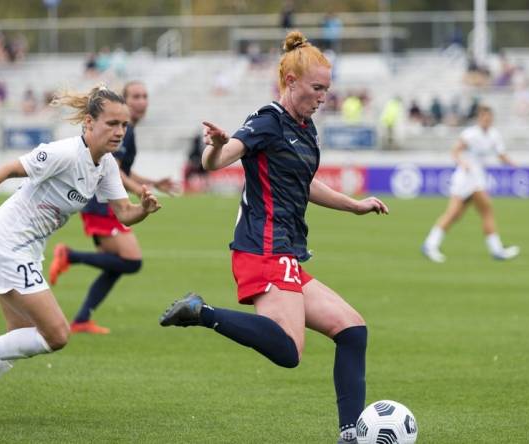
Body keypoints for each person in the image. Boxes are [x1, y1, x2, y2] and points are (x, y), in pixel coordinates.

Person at [158, 31, 389, 444]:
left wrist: (353, 205)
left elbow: (305, 183)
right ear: (290, 82)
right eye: (317, 88)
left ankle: (351, 434)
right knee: (288, 350)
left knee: (353, 331)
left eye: (327, 89)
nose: (323, 97)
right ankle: (201, 312)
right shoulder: (267, 120)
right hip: (262, 248)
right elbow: (219, 161)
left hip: (284, 251)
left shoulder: (306, 128)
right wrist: (213, 148)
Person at [0, 85, 161, 420]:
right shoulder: (65, 153)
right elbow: (8, 168)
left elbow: (124, 213)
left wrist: (144, 209)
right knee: (56, 335)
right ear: (88, 122)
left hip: (22, 249)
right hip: (6, 245)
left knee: (18, 339)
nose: (119, 131)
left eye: (123, 125)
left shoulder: (107, 164)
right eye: (111, 123)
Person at [49, 81, 178, 335]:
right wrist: (140, 191)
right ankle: (69, 255)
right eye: (136, 96)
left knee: (117, 265)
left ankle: (82, 318)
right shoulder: (124, 131)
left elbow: (122, 170)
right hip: (103, 204)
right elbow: (114, 172)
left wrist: (151, 182)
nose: (142, 101)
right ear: (125, 102)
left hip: (102, 202)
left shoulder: (127, 131)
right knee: (132, 262)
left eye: (145, 96)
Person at [421, 105, 520, 263]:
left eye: (489, 118)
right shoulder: (470, 134)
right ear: (479, 118)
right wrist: (462, 163)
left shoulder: (494, 135)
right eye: (484, 117)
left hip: (477, 178)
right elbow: (455, 152)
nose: (487, 120)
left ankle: (430, 243)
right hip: (465, 178)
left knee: (456, 214)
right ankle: (496, 250)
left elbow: (501, 155)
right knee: (485, 209)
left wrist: (513, 164)